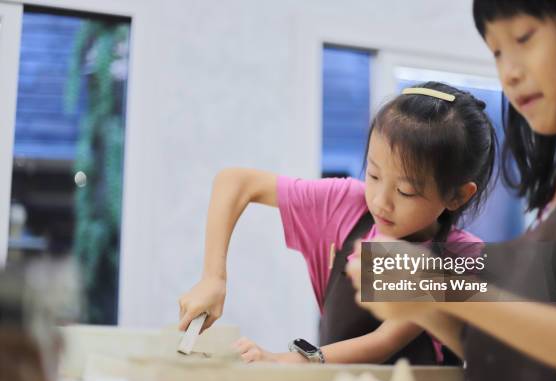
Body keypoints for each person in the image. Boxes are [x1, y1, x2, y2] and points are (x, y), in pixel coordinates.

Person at [349, 0, 556, 381]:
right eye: (497, 51)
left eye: (524, 38)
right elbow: (510, 352)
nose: (510, 71)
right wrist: (424, 302)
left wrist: (445, 285)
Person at [179, 81, 496, 365]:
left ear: (456, 196)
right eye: (373, 175)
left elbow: (385, 342)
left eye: (405, 191)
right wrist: (213, 277)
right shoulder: (347, 205)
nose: (381, 201)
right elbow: (235, 182)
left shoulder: (464, 255)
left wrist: (296, 361)